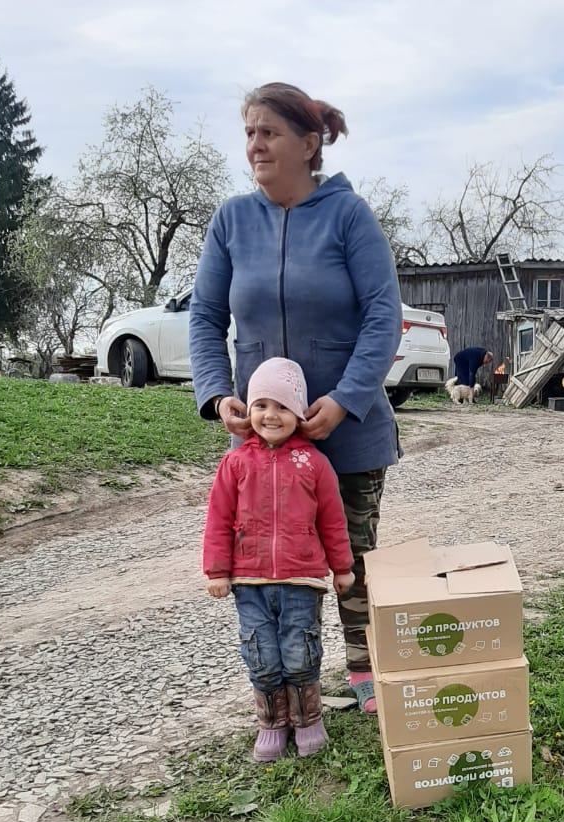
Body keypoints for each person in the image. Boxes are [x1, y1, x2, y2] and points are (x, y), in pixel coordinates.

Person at [189, 81, 403, 715]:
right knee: (270, 564)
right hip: (262, 443)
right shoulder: (231, 222)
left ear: (309, 145)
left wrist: (345, 399)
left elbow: (383, 316)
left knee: (351, 559)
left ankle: (365, 676)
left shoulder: (349, 216)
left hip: (347, 430)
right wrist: (217, 394)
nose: (255, 145)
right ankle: (286, 689)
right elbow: (205, 317)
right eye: (249, 133)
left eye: (269, 133)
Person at [203, 358, 355, 761]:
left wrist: (342, 567)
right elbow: (218, 518)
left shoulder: (314, 463)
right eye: (261, 405)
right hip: (249, 581)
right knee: (261, 654)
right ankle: (271, 722)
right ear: (248, 410)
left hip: (302, 580)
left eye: (283, 406)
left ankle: (308, 719)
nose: (271, 415)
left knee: (300, 651)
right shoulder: (236, 463)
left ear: (300, 412)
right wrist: (217, 570)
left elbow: (332, 520)